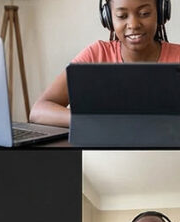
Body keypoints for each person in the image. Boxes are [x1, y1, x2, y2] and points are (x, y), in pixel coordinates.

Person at [30, 0, 180, 128]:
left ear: (161, 13)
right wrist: (95, 122)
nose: (133, 24)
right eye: (122, 16)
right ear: (108, 18)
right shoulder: (96, 55)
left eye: (145, 13)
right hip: (106, 158)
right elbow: (39, 110)